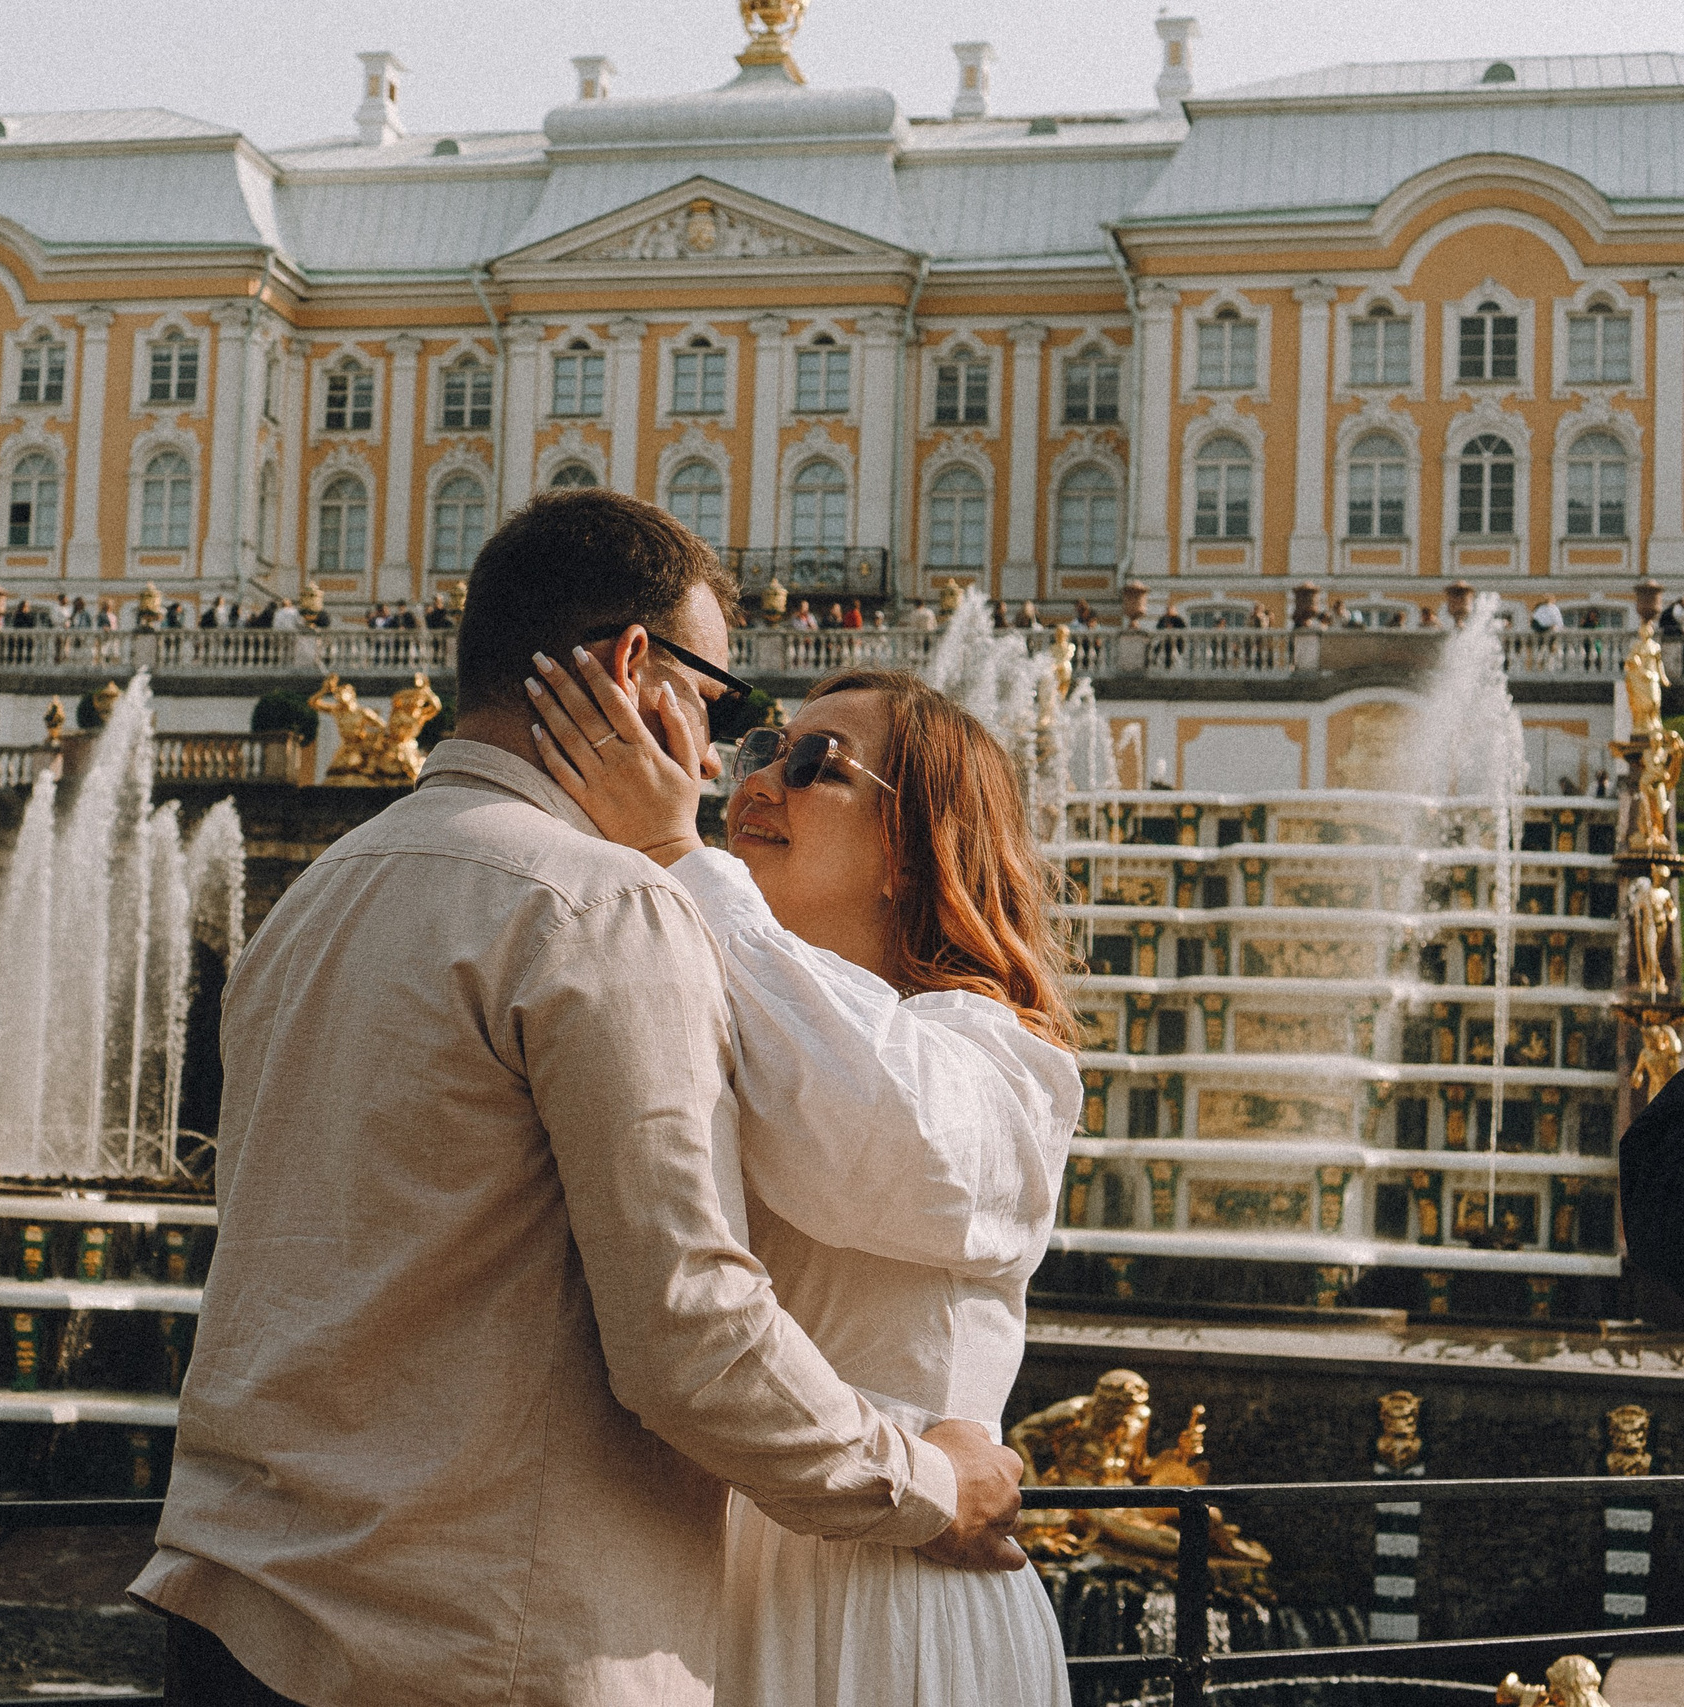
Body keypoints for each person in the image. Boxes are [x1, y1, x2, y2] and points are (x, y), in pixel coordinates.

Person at [134, 489, 1026, 1707]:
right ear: (630, 669)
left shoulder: (318, 894)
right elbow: (687, 1336)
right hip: (481, 1642)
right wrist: (929, 1489)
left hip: (239, 1609)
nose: (718, 762)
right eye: (721, 707)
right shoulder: (606, 906)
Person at [529, 654, 1078, 1707]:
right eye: (764, 749)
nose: (759, 782)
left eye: (820, 765)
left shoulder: (1000, 1055)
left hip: (881, 1586)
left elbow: (882, 1151)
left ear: (910, 855)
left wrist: (670, 852)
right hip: (688, 1577)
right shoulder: (715, 998)